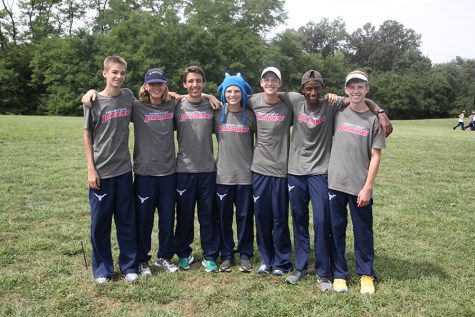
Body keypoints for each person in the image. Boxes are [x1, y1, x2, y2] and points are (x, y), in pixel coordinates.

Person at [280, 70, 391, 291]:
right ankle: (301, 268)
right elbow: (267, 93)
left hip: (322, 172)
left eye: (317, 88)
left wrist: (380, 111)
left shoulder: (332, 104)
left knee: (323, 222)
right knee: (299, 220)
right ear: (302, 89)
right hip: (296, 171)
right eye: (308, 88)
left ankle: (324, 273)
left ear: (323, 88)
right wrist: (209, 96)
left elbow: (358, 97)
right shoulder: (293, 99)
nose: (312, 92)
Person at [328, 70, 385, 295]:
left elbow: (376, 155)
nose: (356, 90)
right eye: (351, 87)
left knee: (363, 231)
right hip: (334, 183)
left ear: (367, 89)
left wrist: (368, 187)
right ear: (346, 90)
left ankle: (366, 274)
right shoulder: (338, 111)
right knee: (336, 229)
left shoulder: (373, 120)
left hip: (360, 186)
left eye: (360, 86)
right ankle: (340, 274)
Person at [83, 55, 138, 284]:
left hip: (124, 171)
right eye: (114, 72)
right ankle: (102, 269)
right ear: (104, 72)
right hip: (101, 174)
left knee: (126, 221)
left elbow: (155, 98)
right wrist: (90, 169)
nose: (119, 76)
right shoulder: (93, 101)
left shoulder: (128, 96)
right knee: (100, 224)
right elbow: (87, 134)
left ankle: (129, 266)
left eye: (122, 73)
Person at [173, 65, 220, 273]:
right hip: (183, 170)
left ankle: (210, 255)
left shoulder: (212, 106)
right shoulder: (176, 105)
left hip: (208, 169)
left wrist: (209, 96)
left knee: (208, 215)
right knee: (184, 215)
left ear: (203, 83)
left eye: (198, 81)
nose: (194, 85)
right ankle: (184, 253)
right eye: (190, 81)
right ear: (185, 84)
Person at [132, 68, 179, 276]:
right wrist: (90, 92)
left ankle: (164, 257)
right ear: (145, 86)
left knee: (167, 218)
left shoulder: (172, 105)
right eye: (152, 84)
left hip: (169, 173)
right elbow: (112, 98)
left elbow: (192, 95)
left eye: (159, 83)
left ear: (165, 85)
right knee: (144, 219)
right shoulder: (136, 107)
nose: (156, 87)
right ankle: (142, 260)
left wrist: (210, 94)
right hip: (145, 174)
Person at [248, 67, 293, 276]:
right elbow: (229, 95)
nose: (270, 83)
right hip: (260, 170)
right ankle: (266, 259)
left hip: (282, 170)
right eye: (266, 80)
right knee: (263, 216)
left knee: (280, 218)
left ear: (280, 84)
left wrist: (377, 109)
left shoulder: (288, 104)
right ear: (261, 82)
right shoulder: (253, 101)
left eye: (274, 80)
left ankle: (282, 261)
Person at [214, 73, 256, 273]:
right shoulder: (216, 113)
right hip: (223, 176)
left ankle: (245, 254)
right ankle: (227, 255)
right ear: (223, 93)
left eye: (236, 91)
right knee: (224, 217)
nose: (232, 94)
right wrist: (208, 96)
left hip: (246, 176)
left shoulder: (250, 115)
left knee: (245, 216)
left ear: (243, 93)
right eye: (229, 91)